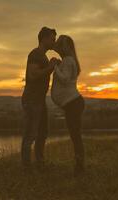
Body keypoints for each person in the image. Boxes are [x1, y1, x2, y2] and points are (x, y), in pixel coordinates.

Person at [21, 27, 58, 172]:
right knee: (30, 134)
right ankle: (26, 168)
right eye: (52, 39)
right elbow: (33, 75)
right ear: (44, 39)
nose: (54, 42)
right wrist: (51, 67)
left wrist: (52, 65)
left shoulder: (43, 56)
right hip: (32, 100)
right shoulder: (35, 54)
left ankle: (40, 163)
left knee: (42, 133)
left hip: (40, 101)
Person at [51, 35, 85, 176]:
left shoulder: (68, 60)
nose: (57, 48)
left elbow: (65, 79)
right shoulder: (68, 61)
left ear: (65, 47)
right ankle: (79, 166)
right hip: (72, 104)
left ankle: (80, 167)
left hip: (73, 103)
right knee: (75, 135)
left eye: (59, 45)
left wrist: (55, 67)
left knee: (75, 136)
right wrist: (59, 66)